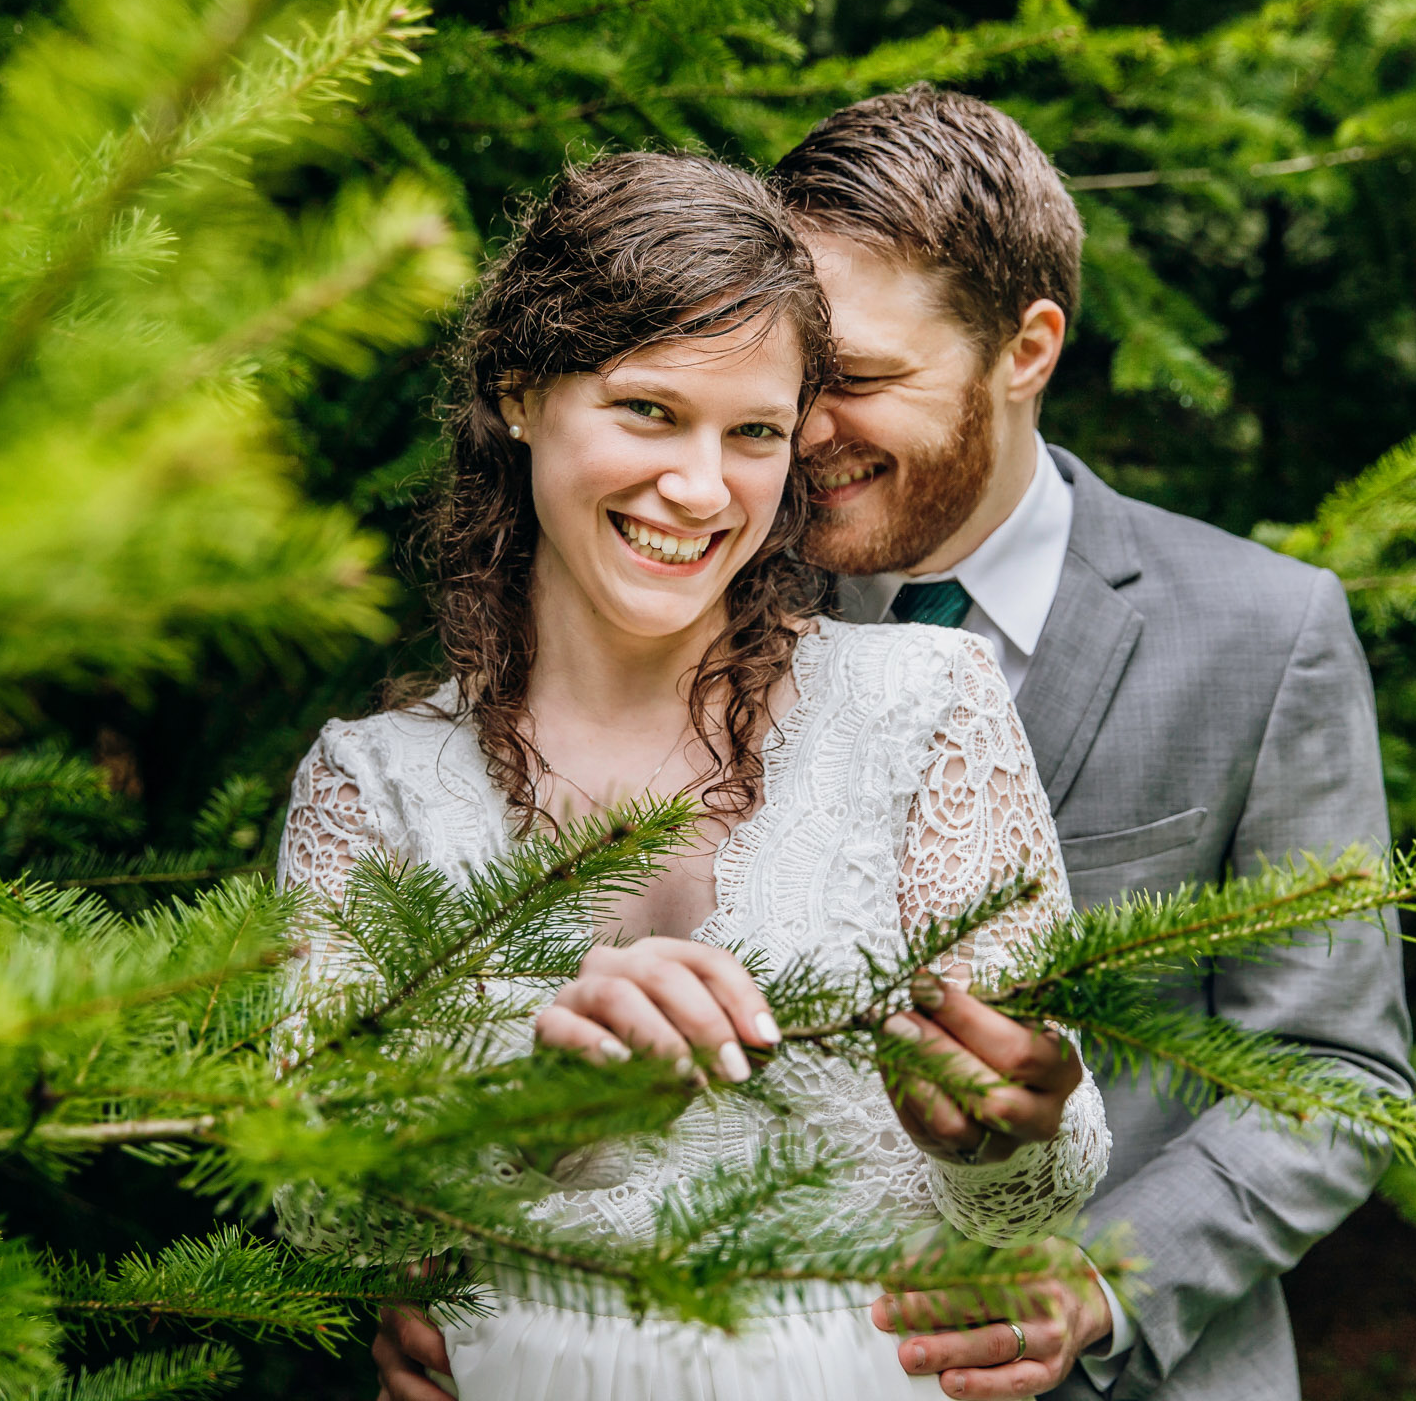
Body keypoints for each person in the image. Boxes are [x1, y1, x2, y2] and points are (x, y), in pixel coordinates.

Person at [284, 150, 1109, 1401]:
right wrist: (532, 1108)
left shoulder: (925, 705)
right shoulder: (375, 786)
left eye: (756, 433)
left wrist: (1020, 1129)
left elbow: (1030, 1197)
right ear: (520, 395)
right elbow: (323, 1216)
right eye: (648, 411)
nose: (700, 485)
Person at [766, 86, 1416, 1400]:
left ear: (1028, 347)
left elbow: (1336, 1073)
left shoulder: (1265, 630)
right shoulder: (720, 612)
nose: (805, 431)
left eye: (864, 381)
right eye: (792, 375)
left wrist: (1105, 1281)